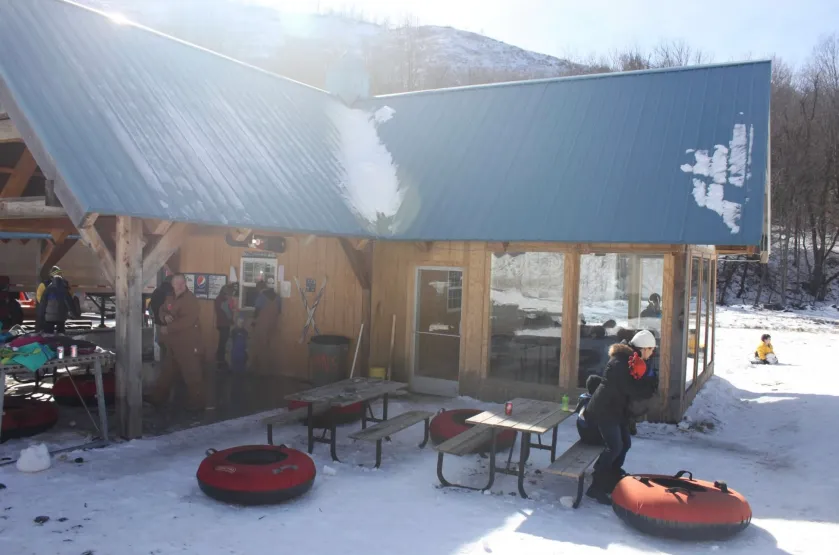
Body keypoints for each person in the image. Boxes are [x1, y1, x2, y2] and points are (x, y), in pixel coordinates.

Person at [583, 330, 659, 504]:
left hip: (617, 410)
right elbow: (632, 389)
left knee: (625, 444)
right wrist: (648, 383)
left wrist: (648, 381)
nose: (651, 354)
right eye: (650, 350)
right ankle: (596, 486)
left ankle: (613, 475)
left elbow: (636, 387)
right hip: (604, 409)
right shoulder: (619, 362)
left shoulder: (633, 360)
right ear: (643, 348)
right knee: (614, 447)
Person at [148, 273, 205, 413]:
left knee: (192, 372)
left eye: (181, 282)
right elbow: (162, 309)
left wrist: (169, 327)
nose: (179, 285)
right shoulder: (169, 297)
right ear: (172, 285)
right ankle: (157, 397)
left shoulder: (190, 300)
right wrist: (164, 316)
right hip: (173, 344)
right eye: (176, 283)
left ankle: (197, 402)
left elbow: (188, 320)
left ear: (185, 283)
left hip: (188, 343)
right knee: (167, 371)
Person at [36, 269, 77, 334]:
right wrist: (74, 314)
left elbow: (43, 304)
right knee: (61, 333)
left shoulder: (48, 290)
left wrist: (41, 316)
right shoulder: (64, 291)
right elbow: (69, 304)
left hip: (49, 318)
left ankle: (50, 342)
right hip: (61, 317)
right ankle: (60, 342)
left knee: (49, 334)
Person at [575, 374, 603, 445]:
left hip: (583, 434)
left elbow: (577, 411)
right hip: (595, 438)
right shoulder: (597, 401)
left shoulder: (582, 398)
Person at [214, 284, 236, 365]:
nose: (230, 294)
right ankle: (221, 360)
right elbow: (226, 310)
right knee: (223, 343)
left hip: (220, 323)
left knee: (222, 342)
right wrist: (231, 319)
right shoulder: (223, 299)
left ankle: (219, 360)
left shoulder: (218, 298)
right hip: (224, 323)